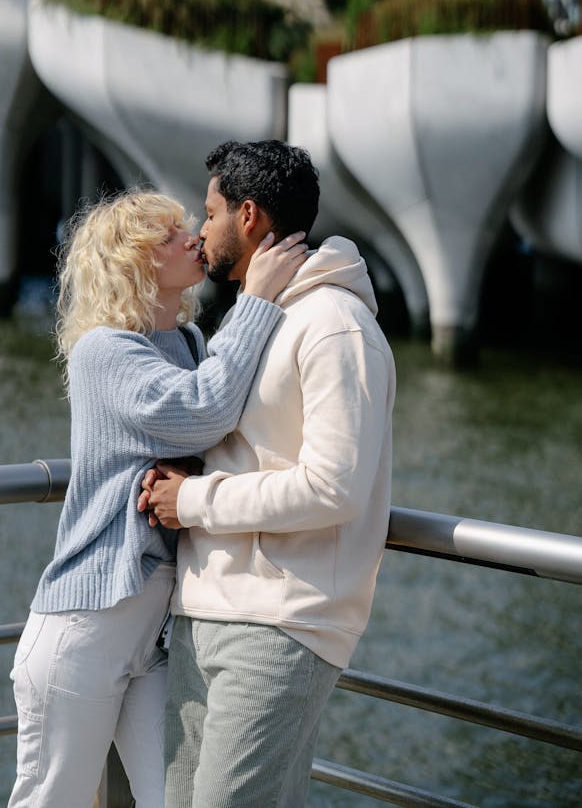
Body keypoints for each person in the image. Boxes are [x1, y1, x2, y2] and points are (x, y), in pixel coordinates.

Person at [7, 188, 308, 808]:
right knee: (51, 800)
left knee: (178, 798)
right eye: (171, 235)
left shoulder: (193, 343)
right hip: (86, 624)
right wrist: (254, 301)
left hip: (157, 628)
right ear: (136, 260)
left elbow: (220, 405)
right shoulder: (104, 351)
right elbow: (203, 412)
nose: (194, 237)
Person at [140, 140, 396, 808]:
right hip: (203, 609)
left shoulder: (337, 326)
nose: (201, 230)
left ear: (248, 215)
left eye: (210, 211)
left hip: (283, 622)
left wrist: (193, 499)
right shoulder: (259, 317)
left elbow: (333, 484)